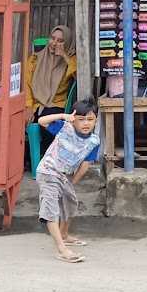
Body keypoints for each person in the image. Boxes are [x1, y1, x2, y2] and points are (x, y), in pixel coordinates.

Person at [36, 97, 100, 264]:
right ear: (74, 120)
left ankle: (64, 234)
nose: (86, 123)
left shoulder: (94, 141)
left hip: (64, 176)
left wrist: (71, 183)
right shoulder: (64, 128)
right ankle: (62, 249)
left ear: (96, 120)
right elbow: (41, 121)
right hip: (48, 172)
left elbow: (85, 165)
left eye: (90, 119)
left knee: (70, 204)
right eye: (81, 119)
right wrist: (64, 116)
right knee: (51, 210)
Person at [25, 25, 77, 152]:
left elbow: (79, 77)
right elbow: (26, 85)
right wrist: (29, 107)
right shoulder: (35, 59)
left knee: (50, 125)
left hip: (57, 104)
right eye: (53, 39)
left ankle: (47, 158)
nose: (55, 43)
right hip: (36, 104)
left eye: (60, 41)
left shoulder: (71, 59)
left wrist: (64, 56)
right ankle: (29, 159)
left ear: (67, 43)